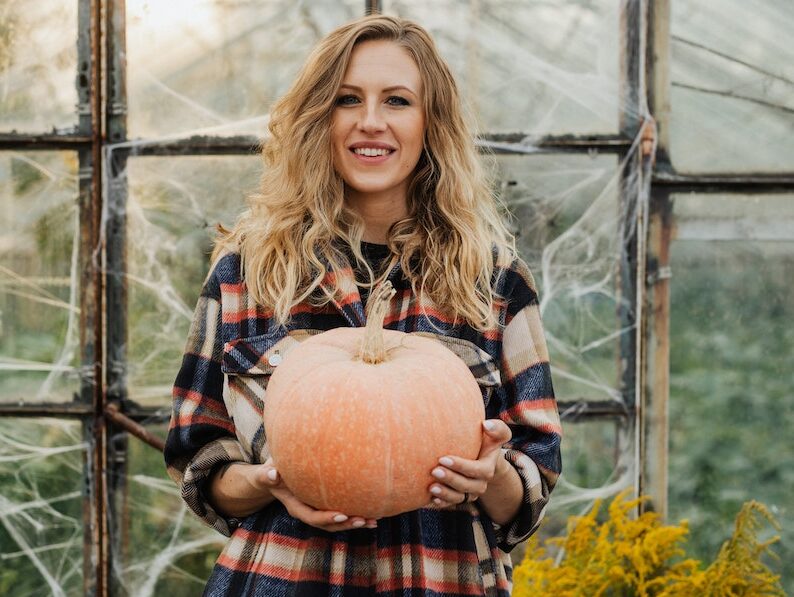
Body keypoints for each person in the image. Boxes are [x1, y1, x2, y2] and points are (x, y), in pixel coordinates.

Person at [165, 14, 562, 596]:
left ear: (432, 124)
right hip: (282, 578)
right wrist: (267, 481)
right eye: (347, 99)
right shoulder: (249, 271)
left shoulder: (494, 278)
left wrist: (490, 475)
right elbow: (197, 458)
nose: (370, 122)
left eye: (397, 100)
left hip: (440, 578)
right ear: (318, 118)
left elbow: (535, 477)